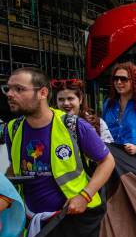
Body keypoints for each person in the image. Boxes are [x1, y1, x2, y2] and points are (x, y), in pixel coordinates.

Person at [3, 67, 115, 214]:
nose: (10, 94)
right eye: (7, 88)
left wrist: (85, 196)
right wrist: (5, 197)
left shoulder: (75, 125)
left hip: (76, 219)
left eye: (19, 89)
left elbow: (108, 161)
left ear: (42, 93)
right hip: (32, 221)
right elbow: (13, 168)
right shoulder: (12, 129)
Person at [53, 79, 114, 143]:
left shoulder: (97, 123)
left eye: (70, 98)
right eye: (61, 99)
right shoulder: (50, 124)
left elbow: (108, 149)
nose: (66, 103)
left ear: (80, 99)